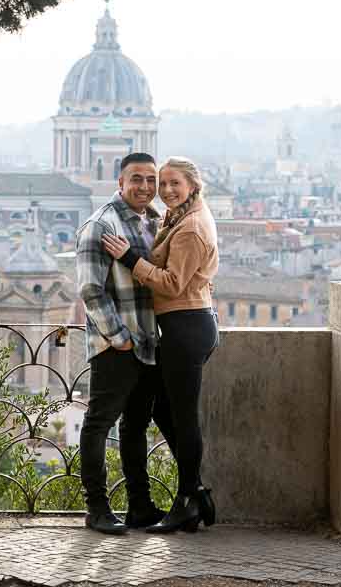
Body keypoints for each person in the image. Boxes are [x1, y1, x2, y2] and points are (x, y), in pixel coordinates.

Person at [102, 156, 219, 533]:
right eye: (161, 183)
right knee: (167, 413)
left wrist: (129, 256)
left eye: (174, 184)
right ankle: (195, 490)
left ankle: (188, 498)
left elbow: (171, 283)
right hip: (184, 324)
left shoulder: (190, 228)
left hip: (185, 327)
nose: (165, 190)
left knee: (182, 417)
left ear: (193, 187)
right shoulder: (178, 216)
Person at [75, 153, 169, 535]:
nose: (145, 187)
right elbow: (90, 290)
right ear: (120, 182)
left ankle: (140, 506)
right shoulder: (100, 225)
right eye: (137, 179)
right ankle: (96, 508)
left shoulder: (154, 222)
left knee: (135, 426)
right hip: (119, 345)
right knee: (99, 424)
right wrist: (119, 339)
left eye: (151, 179)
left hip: (148, 342)